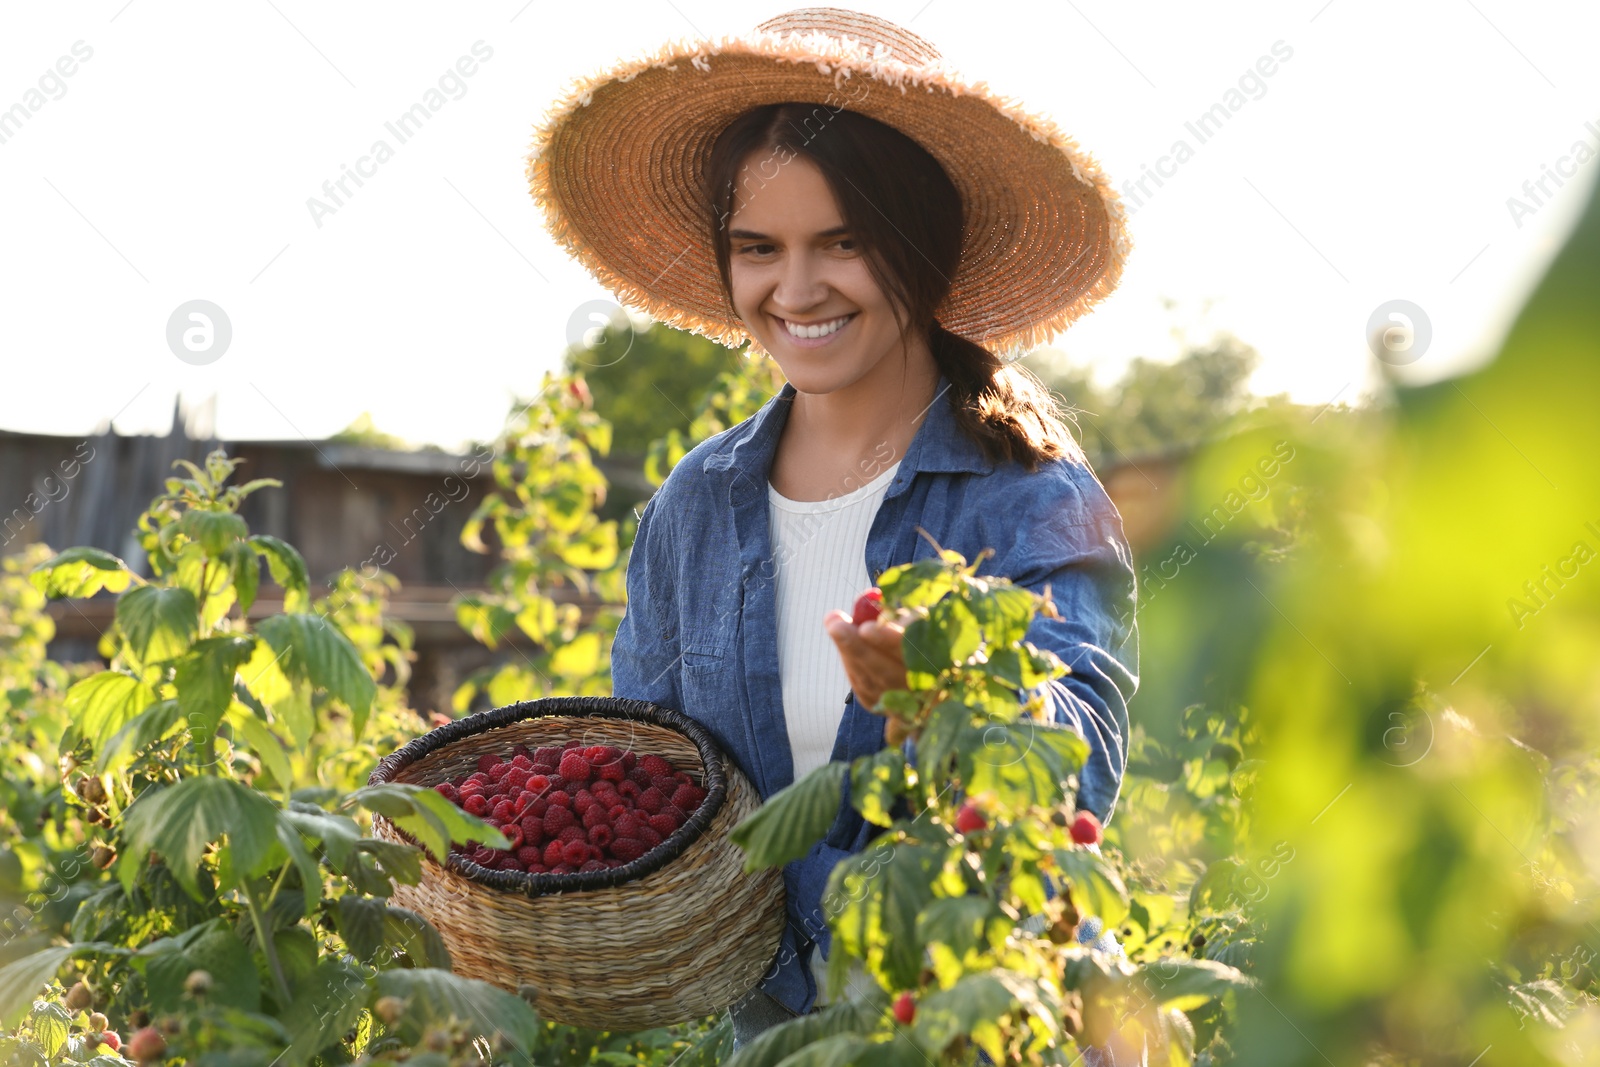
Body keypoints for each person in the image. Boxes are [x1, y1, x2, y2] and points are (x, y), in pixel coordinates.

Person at [525, 8, 1139, 1054]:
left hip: (966, 1024)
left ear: (919, 250)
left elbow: (1083, 770)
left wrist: (944, 697)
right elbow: (651, 776)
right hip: (765, 1038)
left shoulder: (1028, 496)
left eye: (842, 244)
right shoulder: (696, 504)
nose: (795, 289)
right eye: (757, 248)